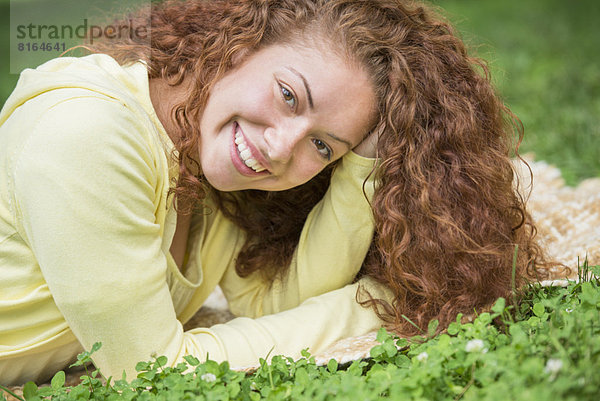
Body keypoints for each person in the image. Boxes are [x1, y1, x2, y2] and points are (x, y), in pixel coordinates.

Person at [0, 0, 549, 385]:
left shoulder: (201, 153)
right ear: (239, 42)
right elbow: (150, 373)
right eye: (289, 94)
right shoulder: (89, 135)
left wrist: (362, 166)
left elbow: (270, 303)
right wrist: (375, 313)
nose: (282, 149)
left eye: (322, 146)